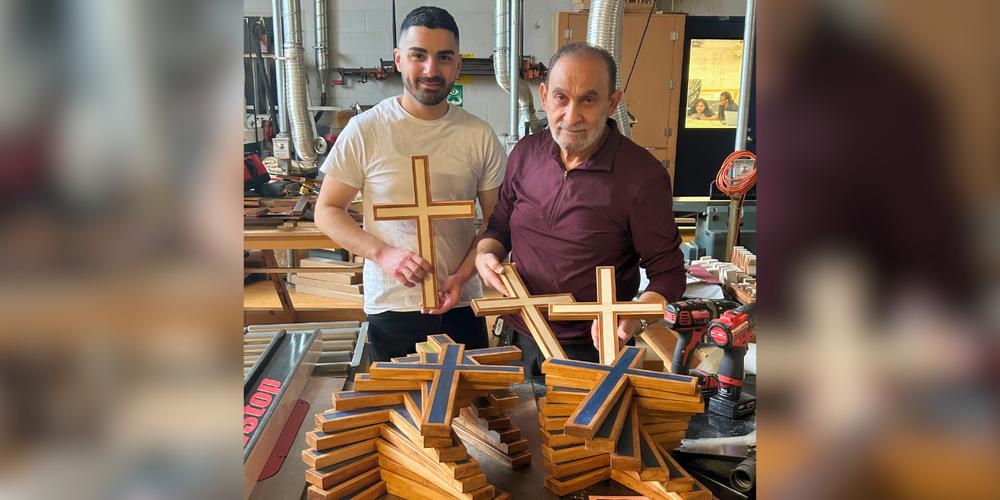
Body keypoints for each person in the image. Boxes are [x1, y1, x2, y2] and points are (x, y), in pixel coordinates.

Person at [475, 42, 686, 375]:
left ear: (612, 103)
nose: (571, 117)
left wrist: (630, 315)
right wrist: (485, 255)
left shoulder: (642, 176)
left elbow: (669, 274)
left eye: (588, 100)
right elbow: (499, 226)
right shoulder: (525, 154)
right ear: (544, 96)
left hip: (591, 352)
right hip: (516, 337)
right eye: (561, 98)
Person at [314, 6, 507, 362]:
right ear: (399, 60)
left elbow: (498, 221)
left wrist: (463, 276)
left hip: (462, 303)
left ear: (458, 66)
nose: (431, 70)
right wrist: (383, 254)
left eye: (444, 58)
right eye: (419, 56)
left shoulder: (479, 136)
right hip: (392, 307)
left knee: (474, 410)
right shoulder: (365, 130)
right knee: (396, 412)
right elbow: (326, 211)